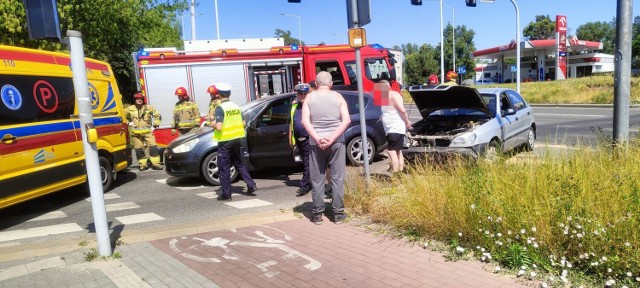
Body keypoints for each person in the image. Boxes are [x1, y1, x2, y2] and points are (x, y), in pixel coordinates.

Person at [301, 71, 351, 225]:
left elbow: (305, 122)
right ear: (331, 84)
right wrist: (331, 138)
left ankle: (317, 215)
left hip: (316, 144)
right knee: (337, 177)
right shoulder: (338, 97)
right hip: (336, 143)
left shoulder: (309, 97)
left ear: (316, 84)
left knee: (317, 179)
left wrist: (318, 138)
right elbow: (346, 120)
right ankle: (338, 214)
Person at [211, 82, 257, 201]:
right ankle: (251, 184)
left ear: (219, 95)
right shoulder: (236, 106)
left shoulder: (220, 108)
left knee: (224, 168)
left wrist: (211, 122)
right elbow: (243, 123)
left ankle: (226, 194)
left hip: (225, 141)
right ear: (229, 94)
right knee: (238, 163)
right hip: (237, 139)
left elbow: (219, 127)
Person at [379, 80, 412, 173]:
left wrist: (407, 122)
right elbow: (388, 111)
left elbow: (402, 110)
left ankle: (396, 173)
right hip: (392, 128)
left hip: (394, 128)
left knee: (391, 151)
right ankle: (400, 172)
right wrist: (382, 117)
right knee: (398, 151)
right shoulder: (386, 96)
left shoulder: (393, 95)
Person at [125, 92, 163, 171]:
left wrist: (155, 126)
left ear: (143, 99)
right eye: (137, 99)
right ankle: (143, 165)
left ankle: (156, 164)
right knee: (139, 150)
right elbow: (122, 115)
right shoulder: (130, 108)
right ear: (134, 100)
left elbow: (158, 115)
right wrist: (128, 122)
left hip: (148, 132)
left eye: (141, 99)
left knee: (153, 148)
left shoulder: (148, 108)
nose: (139, 100)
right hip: (136, 134)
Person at [289, 83, 312, 196]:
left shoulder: (312, 106)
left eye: (304, 93)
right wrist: (290, 138)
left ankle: (304, 186)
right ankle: (310, 182)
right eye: (300, 94)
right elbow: (291, 124)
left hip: (309, 138)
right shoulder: (294, 106)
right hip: (299, 139)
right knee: (306, 162)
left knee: (308, 162)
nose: (302, 96)